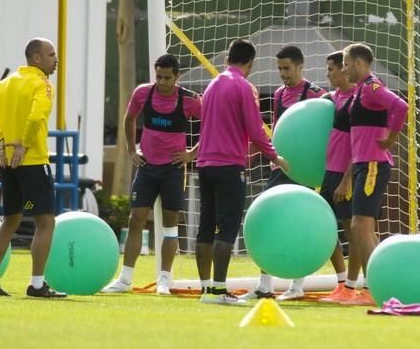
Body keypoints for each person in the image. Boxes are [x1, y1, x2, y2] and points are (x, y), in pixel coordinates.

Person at [195, 39, 289, 305]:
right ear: (250, 63)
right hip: (228, 165)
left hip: (204, 164)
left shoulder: (212, 84)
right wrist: (275, 156)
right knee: (227, 228)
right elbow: (255, 128)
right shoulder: (243, 87)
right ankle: (218, 291)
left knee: (205, 226)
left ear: (227, 59)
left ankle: (206, 289)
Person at [0, 38, 66, 298]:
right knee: (46, 222)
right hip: (32, 161)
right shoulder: (42, 84)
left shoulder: (4, 84)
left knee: (10, 220)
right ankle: (37, 285)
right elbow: (36, 116)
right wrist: (24, 144)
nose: (55, 59)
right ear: (36, 58)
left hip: (8, 163)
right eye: (51, 54)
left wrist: (0, 139)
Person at [102, 54, 201, 295]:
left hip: (173, 169)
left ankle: (164, 279)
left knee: (170, 226)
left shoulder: (190, 100)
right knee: (135, 220)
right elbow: (129, 118)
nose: (162, 82)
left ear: (177, 77)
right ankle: (125, 279)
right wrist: (130, 149)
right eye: (158, 76)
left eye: (167, 77)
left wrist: (191, 154)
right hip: (146, 167)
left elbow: (211, 126)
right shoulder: (143, 93)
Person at [240, 45, 326, 302]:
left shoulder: (316, 95)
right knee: (271, 220)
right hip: (279, 168)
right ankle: (264, 285)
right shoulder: (278, 95)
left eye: (286, 68)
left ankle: (297, 285)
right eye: (279, 68)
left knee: (301, 223)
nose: (282, 73)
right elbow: (277, 131)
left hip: (304, 172)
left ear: (301, 66)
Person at [343, 43, 408, 306]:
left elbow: (400, 106)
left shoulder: (372, 86)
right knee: (365, 230)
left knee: (360, 226)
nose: (344, 68)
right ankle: (381, 285)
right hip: (362, 165)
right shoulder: (360, 90)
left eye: (346, 63)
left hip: (372, 165)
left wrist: (391, 136)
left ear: (359, 63)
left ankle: (373, 290)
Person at [317, 51, 361, 304]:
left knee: (352, 230)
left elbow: (360, 142)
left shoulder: (358, 99)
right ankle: (342, 281)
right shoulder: (332, 98)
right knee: (326, 228)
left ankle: (353, 287)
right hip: (329, 172)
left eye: (331, 69)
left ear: (344, 70)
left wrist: (348, 178)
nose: (327, 74)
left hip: (346, 174)